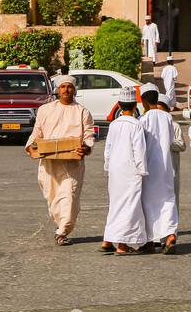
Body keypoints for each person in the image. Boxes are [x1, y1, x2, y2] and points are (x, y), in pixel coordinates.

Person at [25, 74, 96, 246]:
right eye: (63, 87)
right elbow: (37, 132)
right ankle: (60, 225)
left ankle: (62, 231)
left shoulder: (82, 112)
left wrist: (86, 147)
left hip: (72, 165)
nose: (66, 90)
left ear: (74, 90)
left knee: (70, 196)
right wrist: (31, 146)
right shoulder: (45, 110)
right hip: (49, 164)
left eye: (69, 87)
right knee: (53, 197)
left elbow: (89, 135)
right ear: (58, 90)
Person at [103, 87, 149, 256]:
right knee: (130, 206)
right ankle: (122, 244)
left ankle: (108, 238)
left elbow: (108, 149)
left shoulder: (114, 124)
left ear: (120, 105)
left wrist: (108, 166)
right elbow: (139, 150)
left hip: (115, 170)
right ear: (135, 105)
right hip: (131, 171)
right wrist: (142, 170)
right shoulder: (137, 125)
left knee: (116, 204)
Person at [139, 85, 182, 254]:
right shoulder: (167, 118)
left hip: (149, 168)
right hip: (166, 167)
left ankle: (150, 241)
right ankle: (170, 235)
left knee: (148, 203)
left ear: (143, 100)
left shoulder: (143, 120)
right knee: (167, 201)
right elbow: (171, 140)